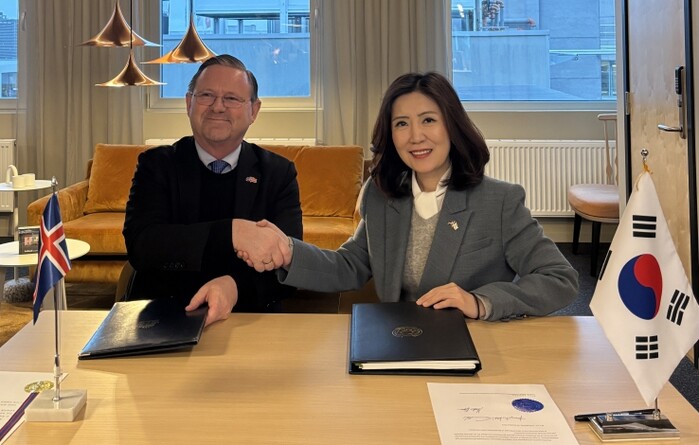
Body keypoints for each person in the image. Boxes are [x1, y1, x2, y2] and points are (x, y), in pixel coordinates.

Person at [244, 71, 578, 321]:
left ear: (452, 126)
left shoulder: (500, 200)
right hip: (401, 339)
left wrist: (480, 301)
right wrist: (288, 252)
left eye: (428, 120)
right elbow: (351, 265)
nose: (416, 136)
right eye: (402, 124)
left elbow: (559, 279)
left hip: (476, 345)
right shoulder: (380, 195)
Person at [123, 55, 299, 326]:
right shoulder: (156, 165)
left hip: (249, 316)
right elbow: (143, 246)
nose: (218, 107)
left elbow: (290, 265)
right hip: (165, 313)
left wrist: (235, 286)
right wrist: (231, 233)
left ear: (254, 110)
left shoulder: (278, 173)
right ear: (189, 103)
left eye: (232, 98)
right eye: (206, 95)